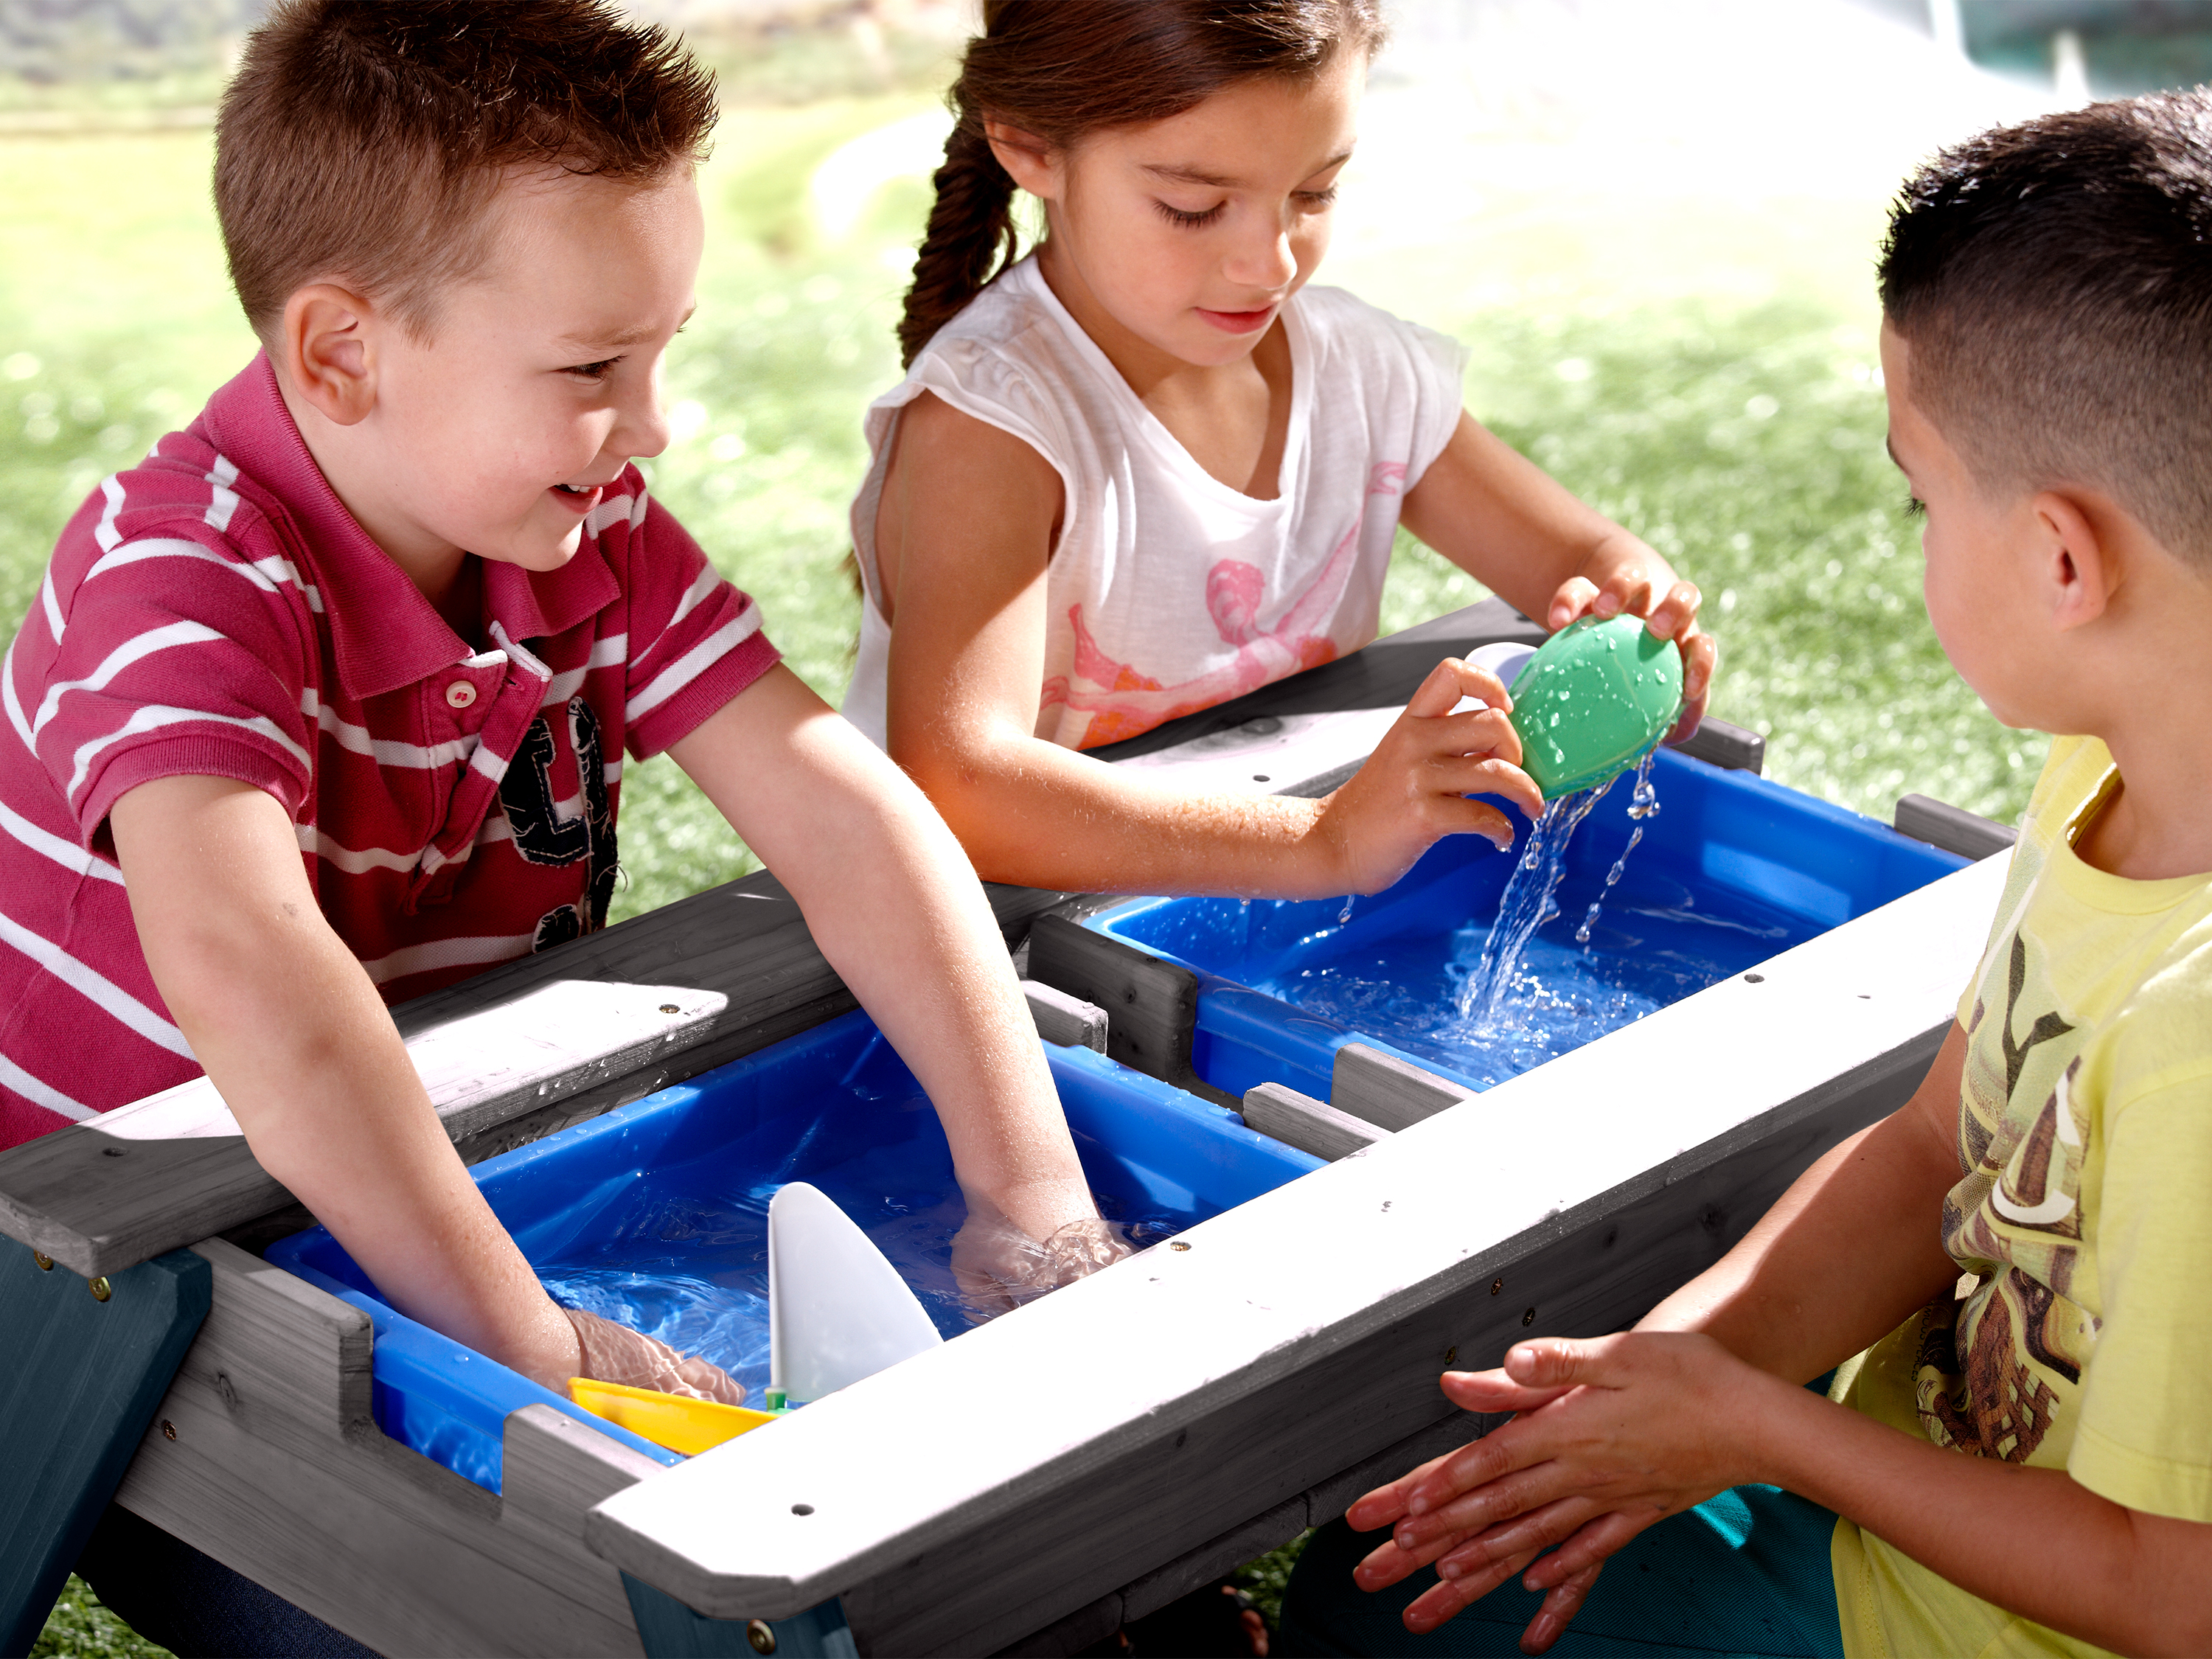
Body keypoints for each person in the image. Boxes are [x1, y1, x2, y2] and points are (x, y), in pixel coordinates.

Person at [0, 4, 1122, 1648]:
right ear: (342, 353)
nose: (653, 424)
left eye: (660, 352)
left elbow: (844, 814)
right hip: (151, 1332)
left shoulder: (581, 535)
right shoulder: (176, 582)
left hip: (459, 1191)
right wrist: (534, 1349)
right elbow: (248, 965)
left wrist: (1030, 1190)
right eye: (595, 370)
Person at [1277, 88, 2212, 1659]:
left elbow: (2176, 1596)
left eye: (1922, 495)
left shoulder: (2196, 1039)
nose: (1916, 529)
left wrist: (1758, 1429)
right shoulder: (2115, 766)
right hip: (1903, 1492)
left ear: (2064, 561)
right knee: (1388, 1567)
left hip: (1993, 1625)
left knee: (1379, 1617)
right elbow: (1939, 1144)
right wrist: (1667, 1371)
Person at [842, 0, 1717, 900]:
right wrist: (1321, 843)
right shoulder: (992, 424)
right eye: (1194, 208)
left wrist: (1635, 612)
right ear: (1030, 147)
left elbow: (1582, 558)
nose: (1272, 265)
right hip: (964, 923)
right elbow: (960, 791)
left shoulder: (1359, 374)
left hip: (1217, 883)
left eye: (1313, 193)